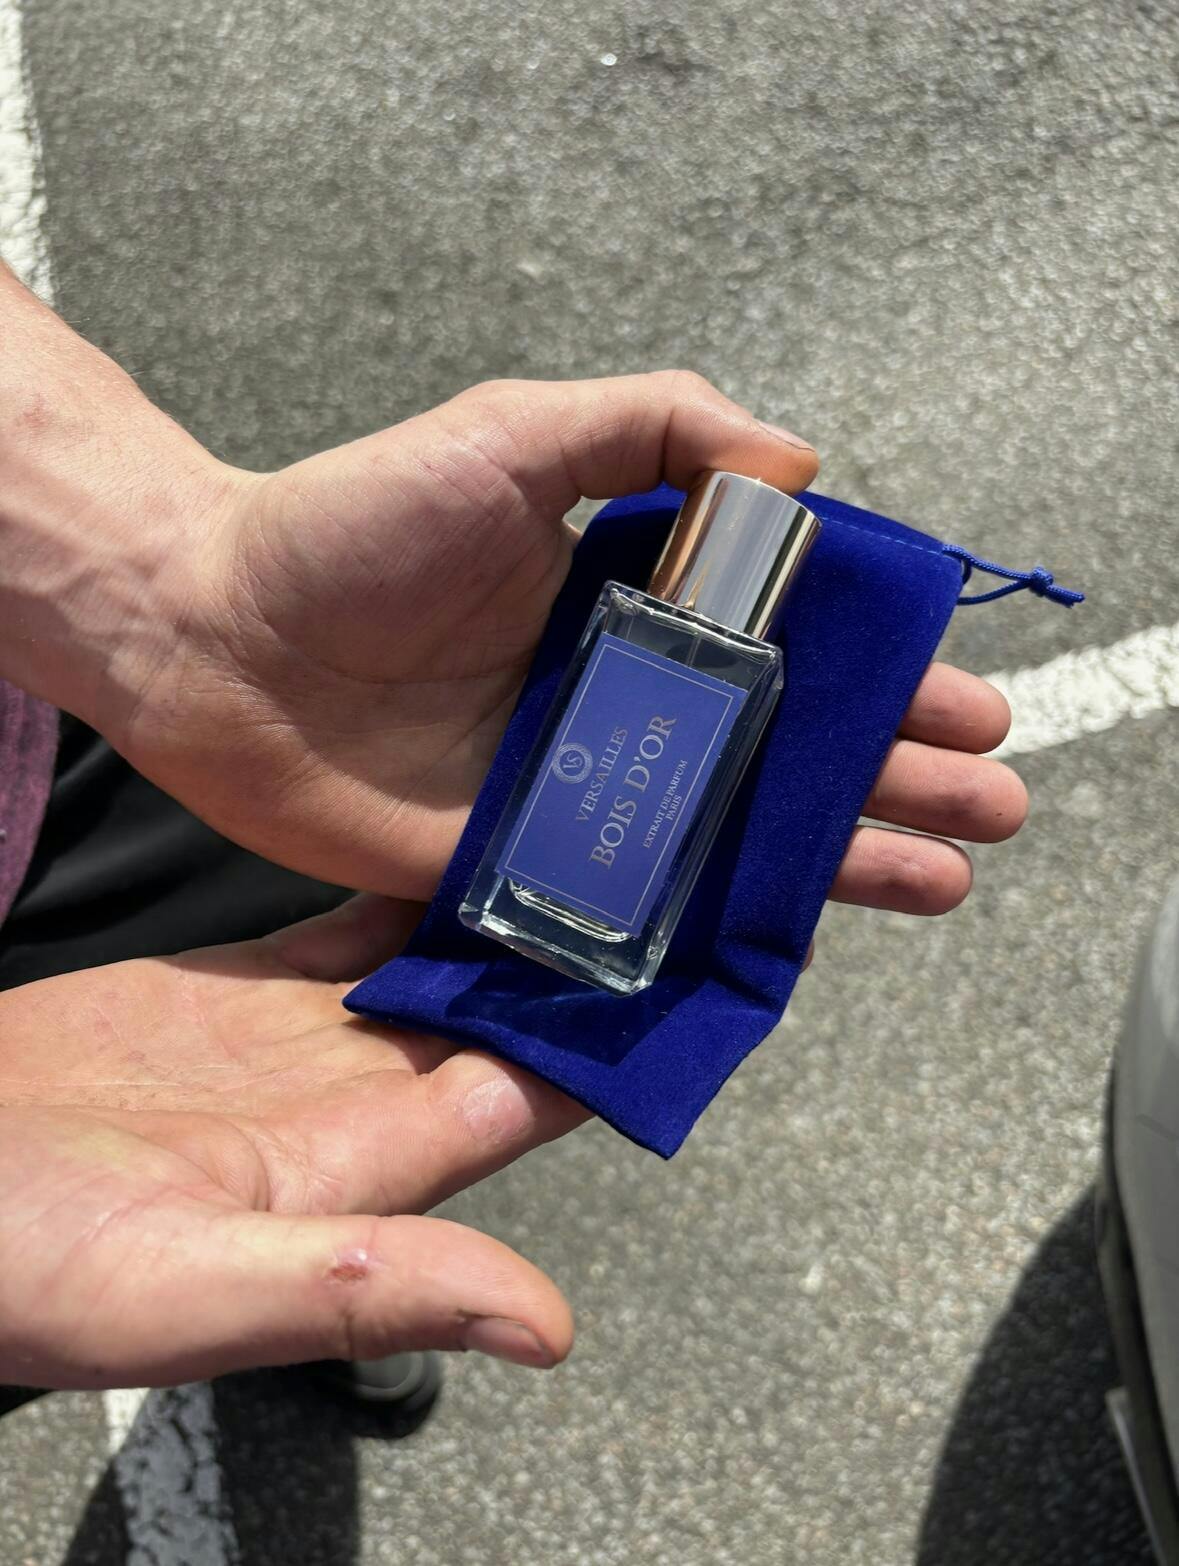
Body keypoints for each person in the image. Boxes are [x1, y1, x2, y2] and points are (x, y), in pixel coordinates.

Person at [0, 260, 1027, 1399]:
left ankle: (275, 1297)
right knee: (170, 1234)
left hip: (68, 736)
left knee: (330, 918)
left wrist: (186, 594)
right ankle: (269, 1302)